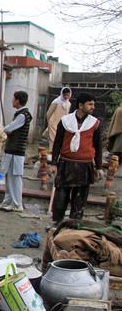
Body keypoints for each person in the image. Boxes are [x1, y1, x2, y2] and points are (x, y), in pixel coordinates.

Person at [50, 92, 103, 224]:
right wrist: (53, 163)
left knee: (79, 199)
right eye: (90, 104)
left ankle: (74, 225)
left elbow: (98, 146)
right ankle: (57, 223)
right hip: (66, 164)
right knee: (61, 197)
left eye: (93, 104)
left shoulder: (94, 123)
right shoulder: (65, 121)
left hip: (85, 166)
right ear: (80, 105)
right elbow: (57, 143)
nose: (93, 107)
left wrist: (99, 167)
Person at [0, 91, 32, 212]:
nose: (12, 101)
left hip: (17, 151)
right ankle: (8, 201)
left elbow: (9, 128)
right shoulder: (19, 114)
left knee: (16, 177)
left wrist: (4, 129)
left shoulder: (23, 115)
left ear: (18, 101)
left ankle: (17, 204)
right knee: (9, 176)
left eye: (13, 99)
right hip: (11, 150)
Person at [45, 87, 72, 151]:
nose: (66, 97)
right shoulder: (56, 102)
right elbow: (48, 114)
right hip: (53, 124)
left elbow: (67, 114)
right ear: (62, 94)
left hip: (62, 124)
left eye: (68, 95)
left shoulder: (69, 104)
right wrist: (50, 122)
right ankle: (51, 154)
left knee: (60, 140)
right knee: (53, 140)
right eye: (64, 95)